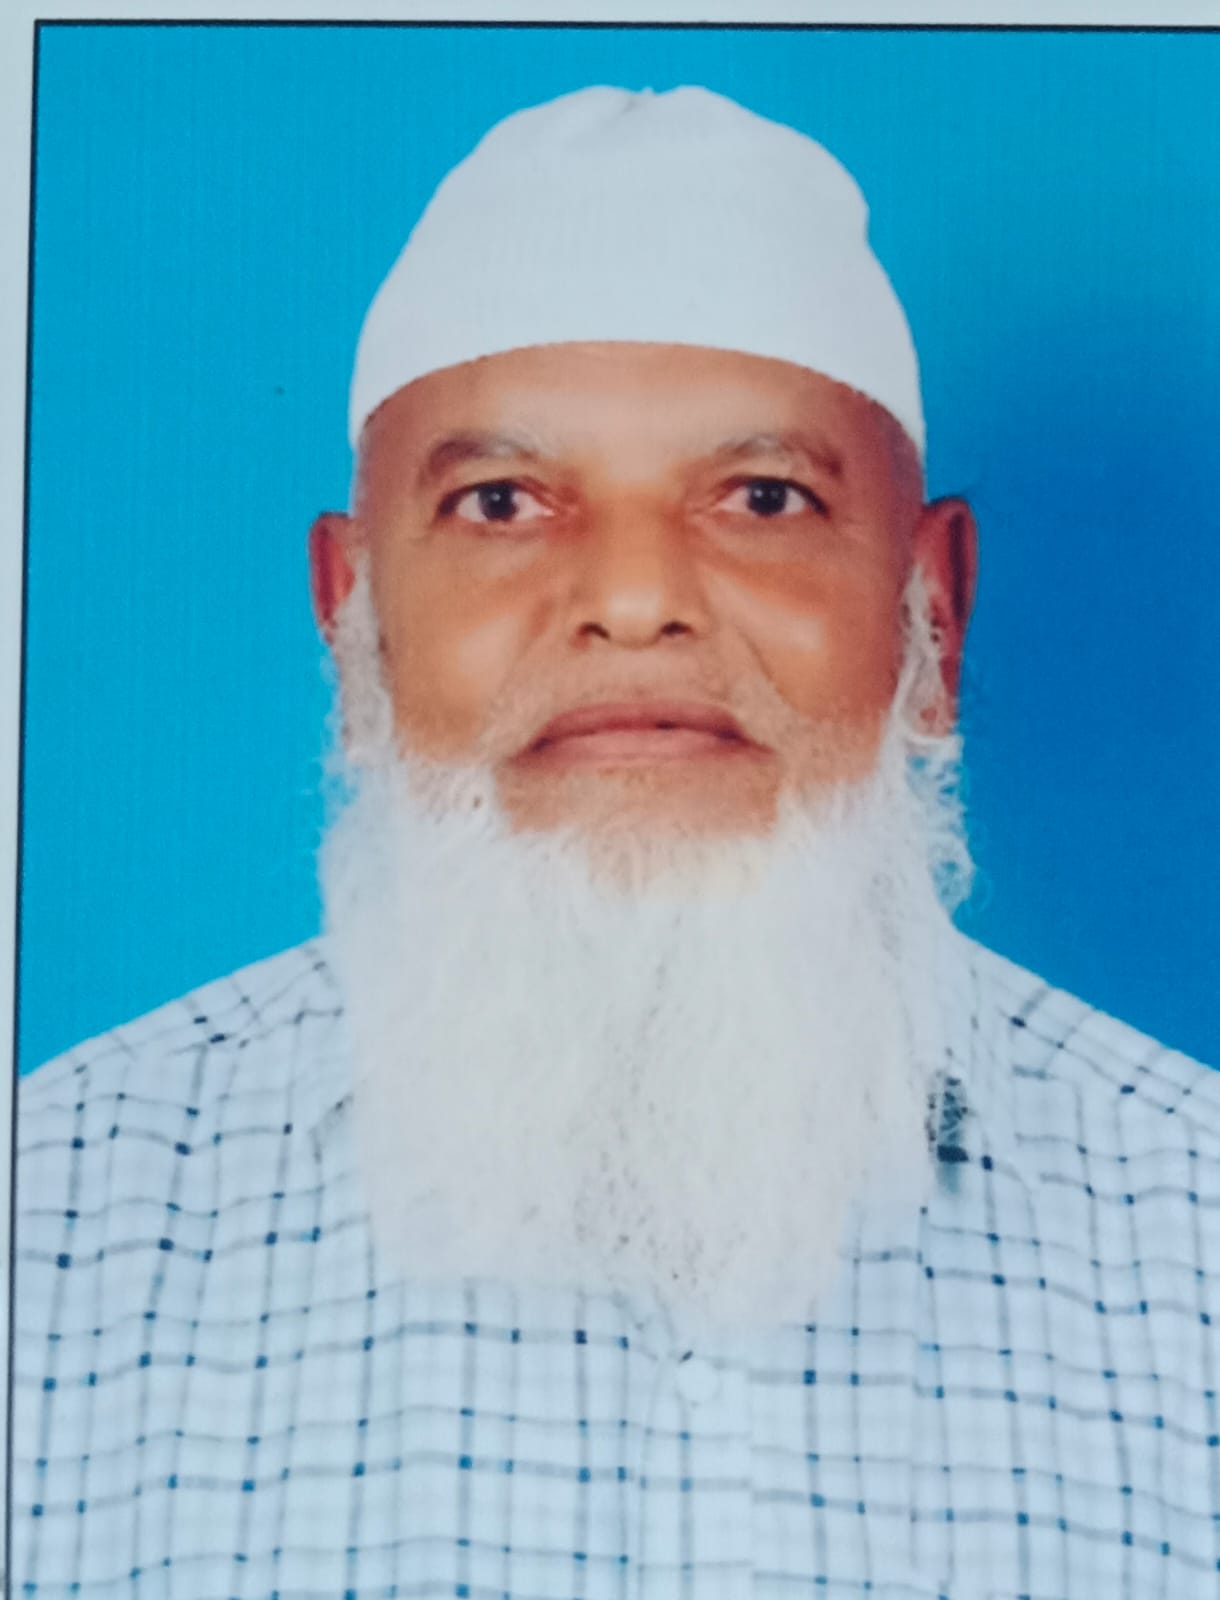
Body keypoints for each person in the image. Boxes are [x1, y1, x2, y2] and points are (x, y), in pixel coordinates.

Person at [13, 85, 1219, 1599]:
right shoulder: (48, 1226)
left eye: (763, 497)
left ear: (932, 616)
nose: (636, 600)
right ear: (354, 626)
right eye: (502, 502)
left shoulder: (1195, 1228)